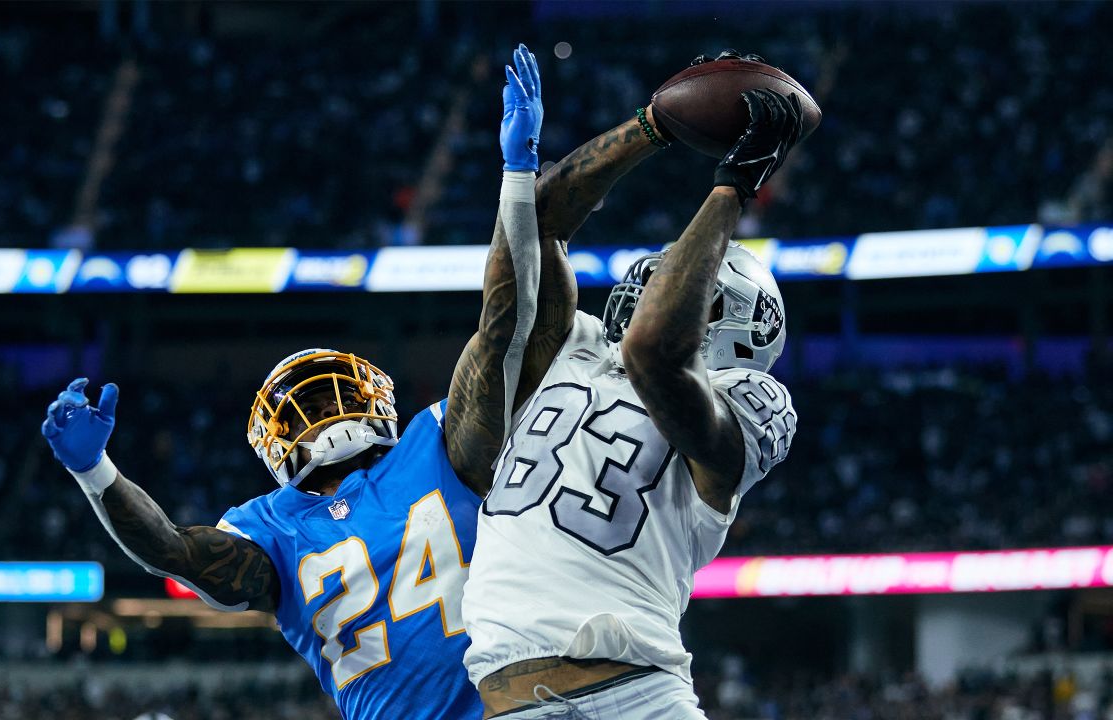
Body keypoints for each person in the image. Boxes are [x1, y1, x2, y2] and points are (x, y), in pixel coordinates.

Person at [39, 44, 547, 720]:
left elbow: (502, 328)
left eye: (332, 392)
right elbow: (171, 549)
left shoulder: (436, 441)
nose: (326, 411)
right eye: (306, 405)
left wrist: (518, 176)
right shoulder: (271, 526)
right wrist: (95, 471)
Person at [461, 52, 806, 718]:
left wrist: (733, 186)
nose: (648, 283)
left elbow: (655, 353)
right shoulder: (576, 349)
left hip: (636, 695)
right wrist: (653, 126)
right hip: (511, 700)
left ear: (732, 320)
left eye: (678, 281)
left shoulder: (746, 398)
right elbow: (540, 229)